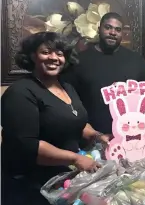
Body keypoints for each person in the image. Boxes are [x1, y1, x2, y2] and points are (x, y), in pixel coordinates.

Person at [1, 32, 109, 205]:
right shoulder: (20, 92)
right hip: (31, 186)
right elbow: (28, 146)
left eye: (60, 54)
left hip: (62, 179)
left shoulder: (67, 88)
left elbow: (76, 122)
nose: (54, 58)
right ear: (32, 56)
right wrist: (75, 159)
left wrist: (97, 136)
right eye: (46, 52)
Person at [61, 12, 145, 137]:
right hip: (91, 137)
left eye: (118, 29)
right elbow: (66, 97)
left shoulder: (136, 60)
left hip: (131, 136)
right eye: (108, 27)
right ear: (99, 29)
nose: (113, 32)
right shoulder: (80, 61)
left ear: (122, 34)